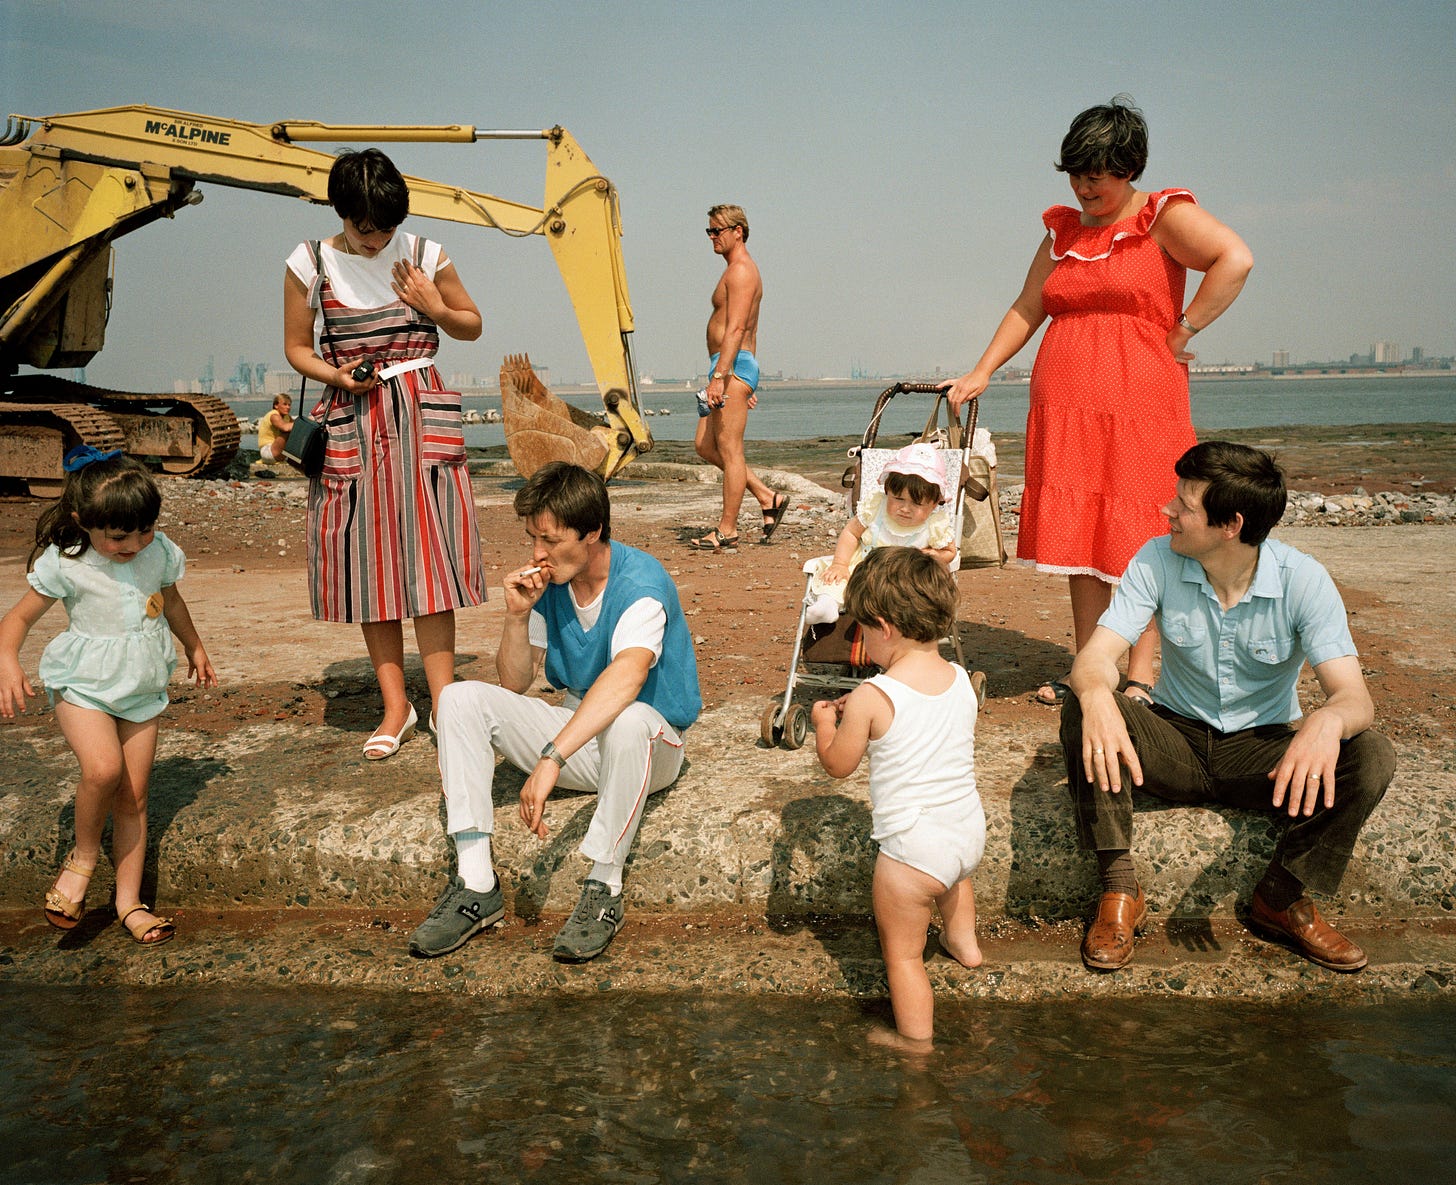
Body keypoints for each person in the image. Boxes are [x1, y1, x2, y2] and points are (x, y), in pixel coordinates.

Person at [944, 96, 1253, 707]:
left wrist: (1186, 328)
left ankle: (1141, 673)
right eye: (1076, 172)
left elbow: (1235, 259)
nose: (1085, 185)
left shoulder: (1162, 216)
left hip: (1142, 399)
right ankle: (1090, 666)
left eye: (1098, 173)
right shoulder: (1065, 230)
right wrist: (981, 370)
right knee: (1084, 538)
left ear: (1129, 168)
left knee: (1142, 529)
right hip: (1066, 400)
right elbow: (1029, 305)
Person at [1061, 442, 1396, 973]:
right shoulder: (1156, 558)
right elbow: (1096, 657)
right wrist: (1098, 692)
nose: (1166, 511)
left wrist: (1328, 720)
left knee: (1371, 754)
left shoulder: (1302, 579)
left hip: (1261, 755)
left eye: (1184, 505)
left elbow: (1355, 697)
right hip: (1173, 742)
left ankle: (1280, 898)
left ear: (1230, 525)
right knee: (1083, 706)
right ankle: (1119, 891)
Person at [409, 462, 701, 963]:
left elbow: (627, 680)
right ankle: (477, 883)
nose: (537, 553)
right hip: (580, 738)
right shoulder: (555, 585)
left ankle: (604, 887)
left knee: (629, 720)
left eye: (550, 539)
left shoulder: (642, 583)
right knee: (457, 698)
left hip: (650, 743)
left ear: (593, 532)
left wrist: (551, 759)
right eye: (532, 538)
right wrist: (517, 616)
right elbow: (515, 682)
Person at [283, 147, 486, 760]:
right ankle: (396, 704)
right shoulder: (308, 262)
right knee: (371, 564)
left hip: (421, 412)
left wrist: (435, 306)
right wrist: (339, 378)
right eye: (363, 229)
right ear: (341, 212)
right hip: (353, 414)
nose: (376, 242)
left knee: (432, 558)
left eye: (386, 229)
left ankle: (446, 699)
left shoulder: (425, 254)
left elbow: (472, 325)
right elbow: (297, 349)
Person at [0, 447, 218, 946]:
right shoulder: (68, 562)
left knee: (134, 797)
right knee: (102, 769)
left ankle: (128, 902)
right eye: (118, 536)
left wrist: (195, 645)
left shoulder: (156, 551)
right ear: (83, 522)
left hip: (141, 685)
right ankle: (82, 859)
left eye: (143, 531)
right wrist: (7, 660)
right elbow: (15, 620)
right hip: (83, 685)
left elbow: (173, 601)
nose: (133, 545)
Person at [811, 548, 985, 1049]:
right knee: (953, 876)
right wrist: (864, 708)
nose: (861, 639)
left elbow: (839, 765)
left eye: (861, 629)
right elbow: (922, 723)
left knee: (903, 956)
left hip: (912, 854)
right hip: (966, 832)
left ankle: (915, 1040)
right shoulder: (959, 680)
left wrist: (828, 723)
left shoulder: (872, 695)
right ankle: (964, 945)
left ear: (883, 628)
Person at [690, 204, 789, 551]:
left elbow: (737, 328)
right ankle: (767, 496)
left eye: (718, 230)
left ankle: (727, 530)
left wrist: (724, 376)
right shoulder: (734, 269)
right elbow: (748, 331)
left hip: (730, 368)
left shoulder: (743, 271)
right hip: (729, 367)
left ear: (739, 231)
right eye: (709, 231)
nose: (713, 237)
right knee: (704, 446)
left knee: (731, 451)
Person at [804, 442, 957, 627]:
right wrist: (840, 564)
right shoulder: (876, 508)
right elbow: (851, 533)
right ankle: (827, 605)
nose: (905, 508)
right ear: (887, 493)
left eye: (917, 504)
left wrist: (934, 556)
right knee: (838, 580)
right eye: (898, 499)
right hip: (864, 569)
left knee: (914, 595)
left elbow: (951, 551)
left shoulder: (935, 524)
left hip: (904, 579)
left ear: (933, 504)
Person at [255, 392, 294, 464]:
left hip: (278, 451)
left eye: (289, 405)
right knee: (287, 431)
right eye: (285, 404)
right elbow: (285, 428)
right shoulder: (273, 415)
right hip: (267, 452)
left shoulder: (287, 417)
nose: (288, 407)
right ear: (276, 405)